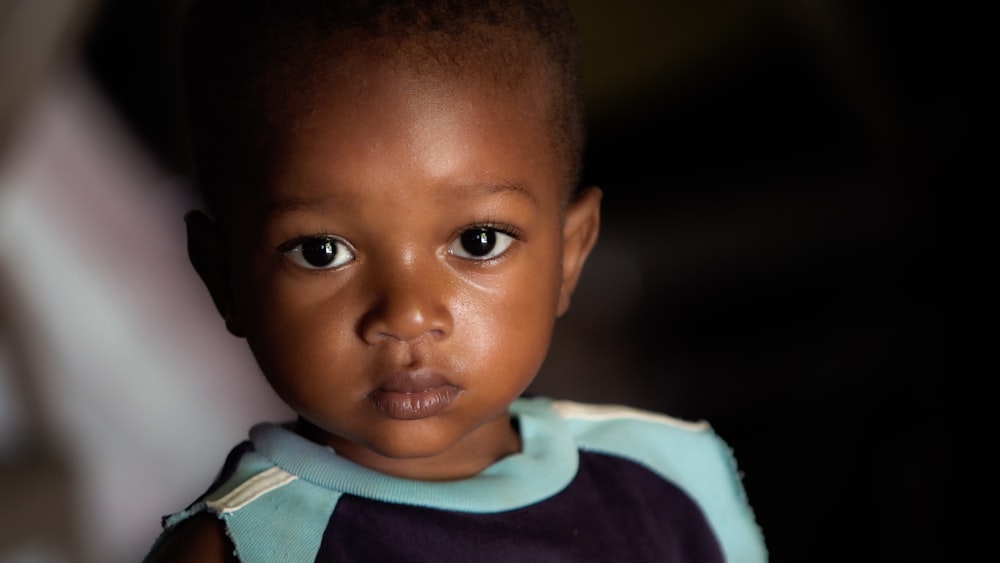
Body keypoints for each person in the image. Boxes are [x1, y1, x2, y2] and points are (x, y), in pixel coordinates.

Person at [143, 1, 768, 561]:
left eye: (478, 242)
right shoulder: (242, 550)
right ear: (223, 278)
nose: (407, 314)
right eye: (322, 251)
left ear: (570, 254)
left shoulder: (672, 480)